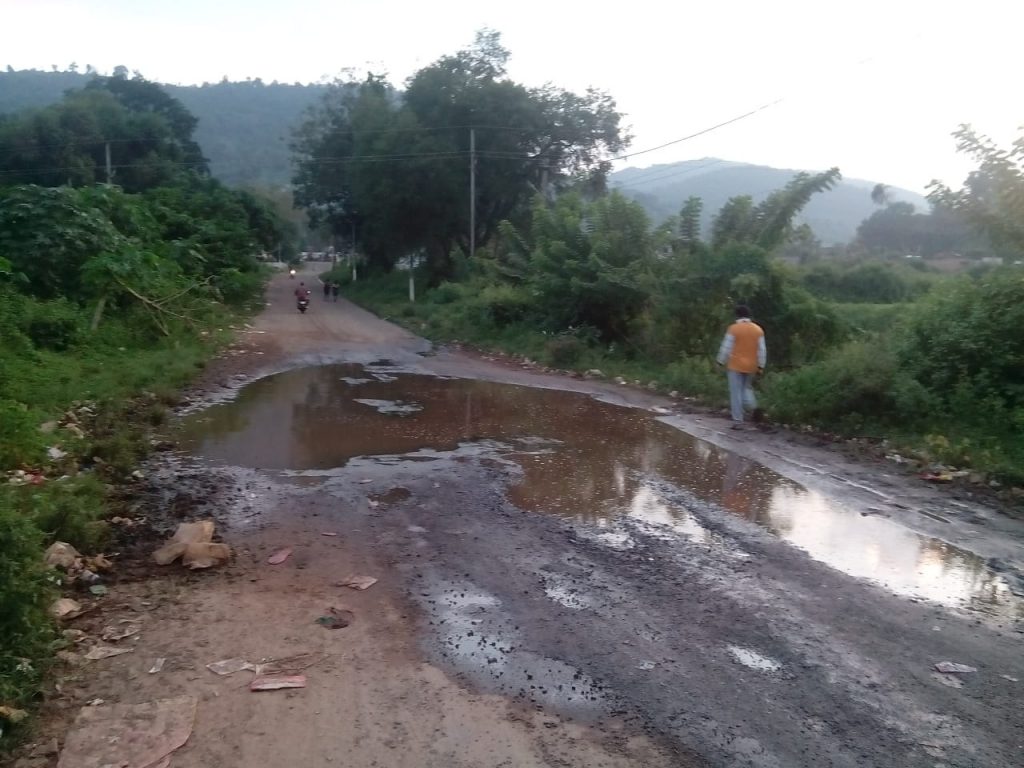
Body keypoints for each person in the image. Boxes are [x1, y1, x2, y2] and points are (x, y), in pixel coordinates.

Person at [716, 304, 766, 429]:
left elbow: (726, 348)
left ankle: (738, 421)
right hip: (752, 366)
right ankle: (754, 408)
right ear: (749, 315)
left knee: (735, 393)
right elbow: (762, 350)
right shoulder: (758, 329)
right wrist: (761, 366)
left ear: (737, 315)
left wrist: (720, 362)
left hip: (735, 365)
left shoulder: (734, 329)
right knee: (746, 389)